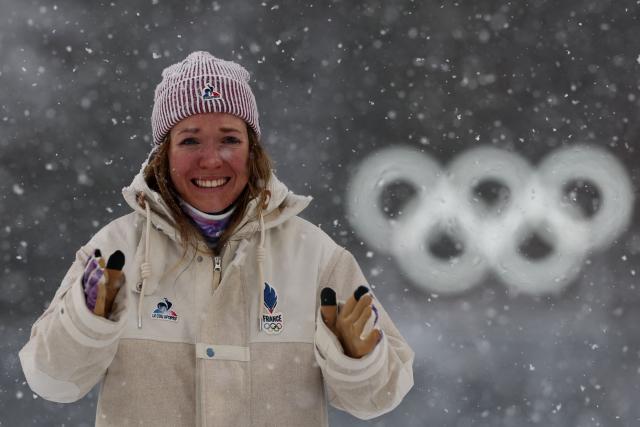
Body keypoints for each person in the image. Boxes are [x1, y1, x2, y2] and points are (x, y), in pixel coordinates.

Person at [19, 51, 414, 426]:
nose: (211, 159)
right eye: (190, 140)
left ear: (252, 150)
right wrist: (86, 322)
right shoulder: (115, 250)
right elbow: (52, 381)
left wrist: (359, 358)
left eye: (229, 139)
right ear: (163, 154)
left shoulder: (316, 257)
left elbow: (382, 398)